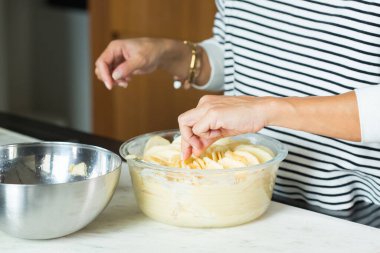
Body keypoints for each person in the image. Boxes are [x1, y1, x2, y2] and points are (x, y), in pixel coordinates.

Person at [95, 0, 380, 211]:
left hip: (359, 205)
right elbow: (240, 52)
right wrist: (171, 55)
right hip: (249, 190)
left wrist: (265, 110)